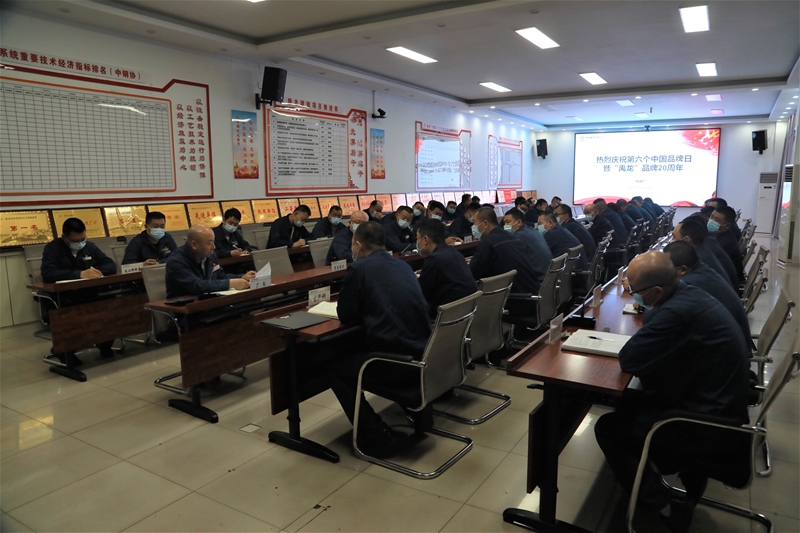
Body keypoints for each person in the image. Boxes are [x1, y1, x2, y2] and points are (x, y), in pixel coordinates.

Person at [595, 252, 750, 527]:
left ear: (657, 291)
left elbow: (630, 359)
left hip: (707, 425)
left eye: (635, 290)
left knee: (608, 427)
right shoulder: (688, 293)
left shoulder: (677, 312)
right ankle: (651, 473)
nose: (632, 294)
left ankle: (660, 505)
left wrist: (653, 317)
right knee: (628, 398)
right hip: (720, 403)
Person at [324, 221, 432, 456]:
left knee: (335, 369)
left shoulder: (359, 268)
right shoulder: (403, 266)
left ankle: (375, 435)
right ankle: (421, 416)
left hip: (397, 364)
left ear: (358, 245)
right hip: (426, 356)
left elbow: (346, 314)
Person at [41, 217, 119, 364]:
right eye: (75, 241)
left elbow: (110, 264)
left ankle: (104, 343)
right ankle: (64, 351)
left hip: (90, 293)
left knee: (111, 305)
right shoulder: (52, 249)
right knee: (74, 315)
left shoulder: (89, 246)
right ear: (64, 237)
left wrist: (96, 271)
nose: (80, 243)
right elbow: (48, 273)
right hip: (65, 296)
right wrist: (79, 274)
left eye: (83, 239)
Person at [663, 241, 751, 347]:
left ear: (682, 269)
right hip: (736, 339)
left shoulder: (691, 283)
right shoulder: (702, 266)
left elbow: (664, 314)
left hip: (728, 348)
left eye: (666, 267)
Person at [470, 207, 544, 296]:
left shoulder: (488, 242)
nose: (473, 226)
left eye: (474, 222)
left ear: (485, 224)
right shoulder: (513, 237)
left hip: (516, 297)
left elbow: (474, 272)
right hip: (533, 291)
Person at [166, 225, 255, 298]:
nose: (214, 247)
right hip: (185, 307)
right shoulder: (176, 261)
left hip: (208, 301)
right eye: (209, 243)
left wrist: (242, 277)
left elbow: (221, 276)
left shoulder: (210, 255)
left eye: (213, 242)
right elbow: (196, 285)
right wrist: (229, 283)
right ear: (194, 245)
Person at [416, 219, 478, 318]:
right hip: (467, 313)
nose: (417, 242)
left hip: (446, 316)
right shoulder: (454, 252)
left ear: (426, 239)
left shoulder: (434, 259)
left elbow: (421, 293)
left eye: (417, 239)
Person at [673, 218, 739, 289]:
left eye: (674, 236)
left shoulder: (700, 258)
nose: (672, 240)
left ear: (686, 239)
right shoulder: (705, 246)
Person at [502, 208, 552, 283]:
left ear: (519, 222)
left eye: (508, 222)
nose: (505, 226)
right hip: (548, 276)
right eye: (504, 223)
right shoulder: (533, 231)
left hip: (538, 280)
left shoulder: (518, 237)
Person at [708, 206, 745, 282]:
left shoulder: (725, 243)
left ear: (727, 226)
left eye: (717, 220)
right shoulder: (719, 235)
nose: (711, 221)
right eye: (711, 216)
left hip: (728, 282)